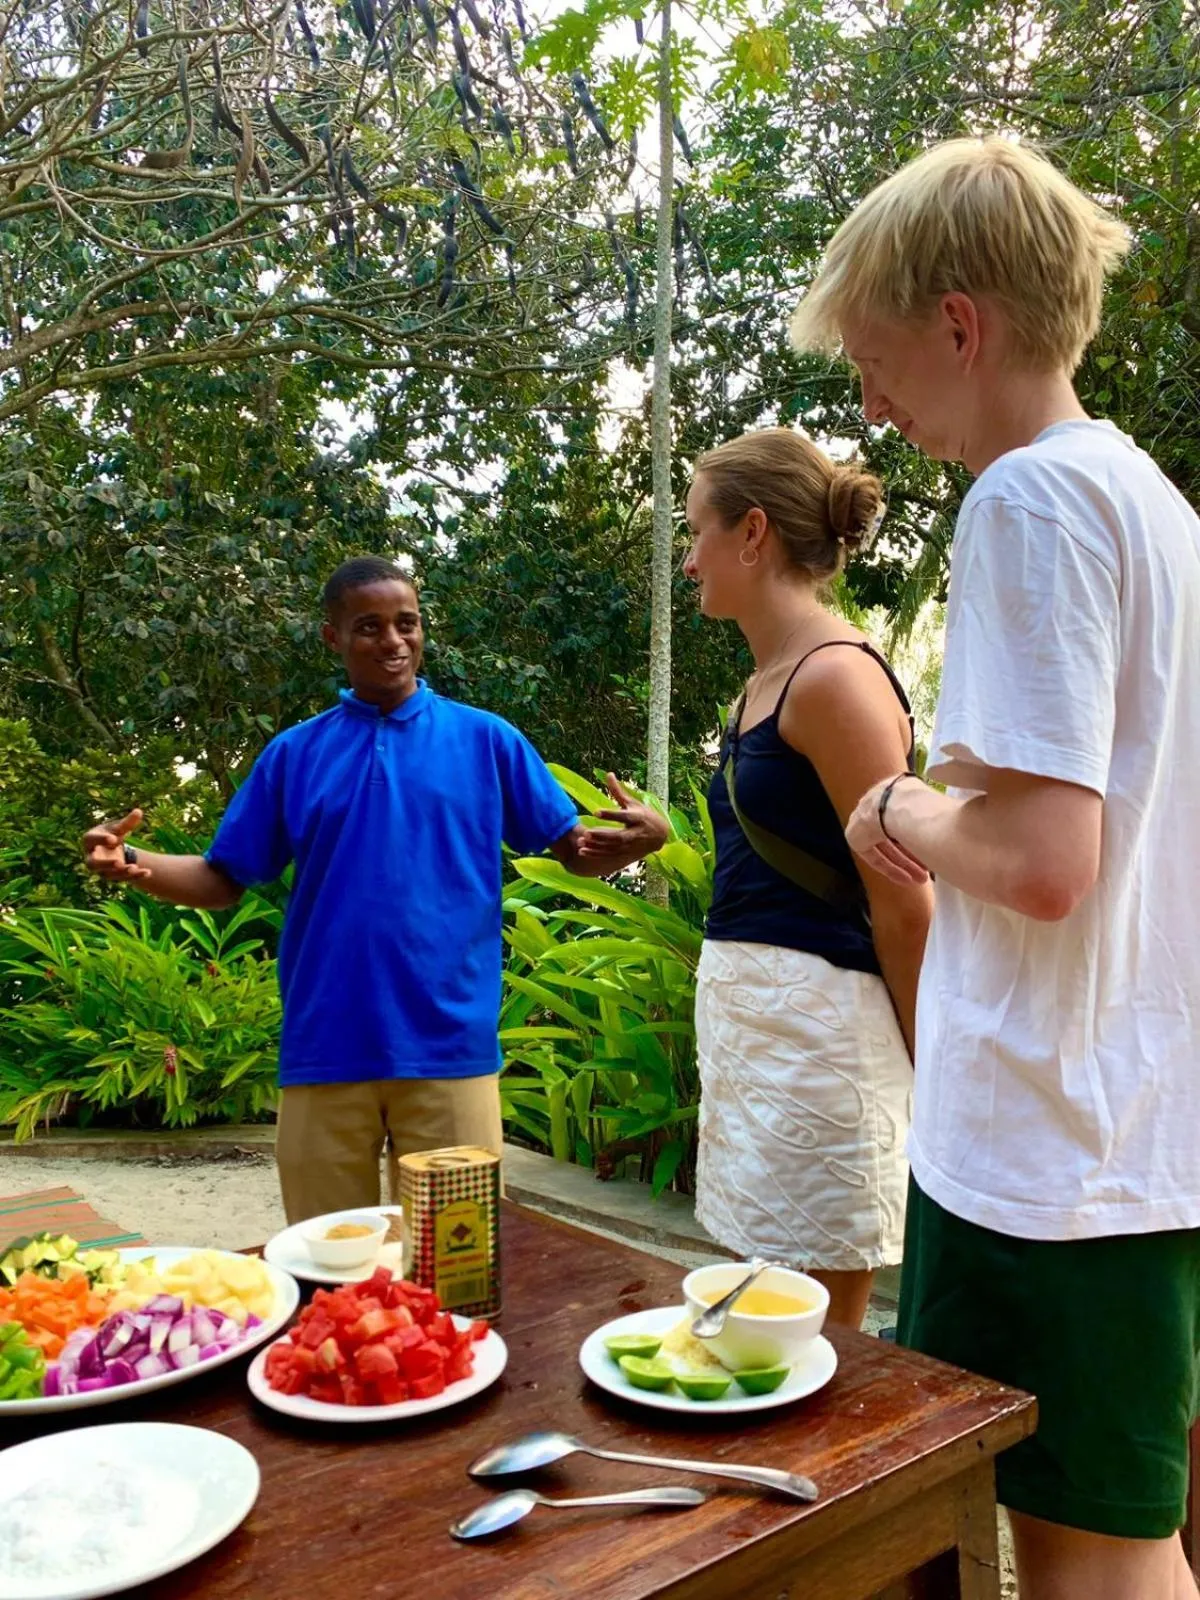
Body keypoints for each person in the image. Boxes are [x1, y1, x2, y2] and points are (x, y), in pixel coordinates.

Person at [791, 137, 1200, 1600]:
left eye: (878, 359)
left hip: (1049, 1150)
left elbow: (1039, 862)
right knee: (1118, 1523)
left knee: (1090, 1550)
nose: (873, 402)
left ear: (960, 324)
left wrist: (896, 809)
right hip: (1125, 1132)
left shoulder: (1027, 500)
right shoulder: (1151, 503)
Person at [82, 557, 668, 1223]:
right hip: (326, 1047)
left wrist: (642, 840)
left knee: (458, 1270)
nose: (393, 641)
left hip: (449, 1049)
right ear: (333, 637)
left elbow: (577, 850)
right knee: (328, 1276)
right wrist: (133, 860)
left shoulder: (486, 740)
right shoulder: (295, 756)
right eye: (370, 626)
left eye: (406, 623)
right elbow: (223, 879)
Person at [682, 428, 934, 1329]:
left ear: (752, 533)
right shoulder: (763, 683)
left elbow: (905, 897)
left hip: (824, 1043)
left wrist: (927, 1061)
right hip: (758, 1036)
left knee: (819, 1342)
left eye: (696, 531)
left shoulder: (834, 682)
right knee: (756, 1327)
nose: (689, 558)